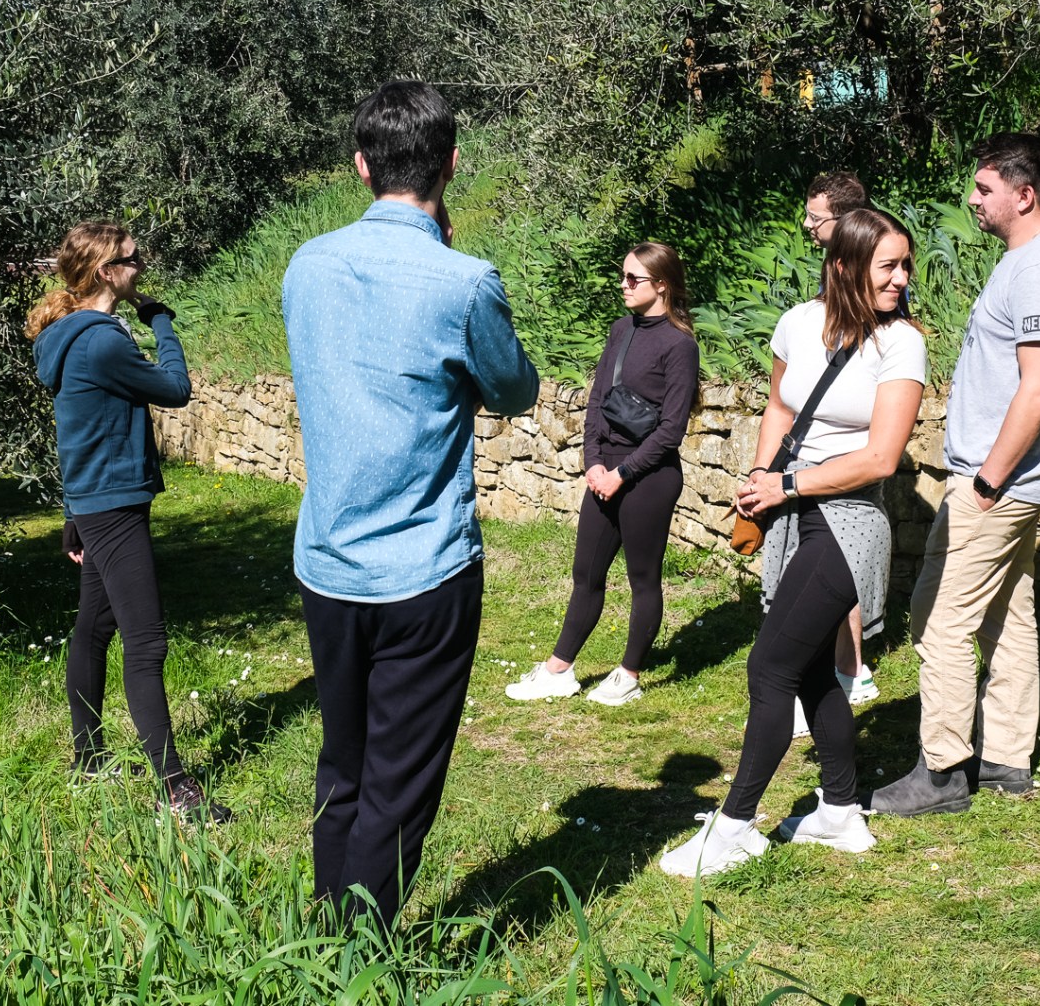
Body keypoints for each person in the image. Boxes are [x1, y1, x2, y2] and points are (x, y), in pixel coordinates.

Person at [283, 80, 538, 924]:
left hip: (328, 563)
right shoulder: (463, 281)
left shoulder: (306, 264)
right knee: (401, 782)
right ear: (452, 165)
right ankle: (358, 953)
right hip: (424, 568)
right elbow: (513, 389)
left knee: (344, 764)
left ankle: (323, 938)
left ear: (360, 164)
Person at [658, 208, 926, 877]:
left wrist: (789, 484)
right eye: (886, 265)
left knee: (769, 667)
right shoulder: (799, 324)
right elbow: (781, 407)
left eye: (905, 265)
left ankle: (736, 826)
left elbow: (881, 458)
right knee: (805, 668)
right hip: (793, 513)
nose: (901, 279)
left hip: (850, 521)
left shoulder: (903, 344)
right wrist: (759, 473)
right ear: (843, 267)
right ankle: (839, 813)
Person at [869, 132, 1040, 817]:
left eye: (985, 188)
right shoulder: (1028, 260)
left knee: (937, 618)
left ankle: (941, 773)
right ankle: (1006, 761)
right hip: (1013, 482)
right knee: (1008, 616)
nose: (973, 200)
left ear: (1024, 196)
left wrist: (989, 480)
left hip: (1000, 484)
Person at [27, 222, 231, 823]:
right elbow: (175, 388)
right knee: (146, 640)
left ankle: (87, 760)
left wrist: (72, 517)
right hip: (113, 507)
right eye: (131, 260)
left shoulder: (71, 336)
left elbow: (78, 431)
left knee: (93, 626)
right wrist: (161, 321)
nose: (141, 267)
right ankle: (177, 791)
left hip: (96, 504)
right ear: (104, 273)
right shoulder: (101, 342)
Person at [505, 242, 699, 707]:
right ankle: (559, 669)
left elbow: (671, 431)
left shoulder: (680, 345)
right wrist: (592, 461)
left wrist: (623, 473)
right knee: (585, 574)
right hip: (604, 471)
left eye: (634, 278)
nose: (624, 285)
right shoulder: (621, 330)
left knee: (642, 577)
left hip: (648, 478)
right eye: (624, 276)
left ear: (662, 285)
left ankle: (628, 674)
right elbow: (597, 402)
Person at [802, 170, 881, 707]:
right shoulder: (836, 274)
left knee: (842, 557)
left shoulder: (868, 279)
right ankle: (843, 663)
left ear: (843, 221)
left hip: (848, 449)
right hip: (825, 450)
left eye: (815, 218)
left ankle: (851, 668)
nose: (808, 226)